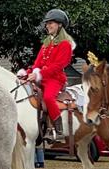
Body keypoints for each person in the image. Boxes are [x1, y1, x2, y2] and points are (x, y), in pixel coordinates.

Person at [21, 9, 74, 143]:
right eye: (47, 23)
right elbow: (37, 63)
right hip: (42, 78)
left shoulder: (65, 44)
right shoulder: (46, 43)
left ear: (59, 25)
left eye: (51, 23)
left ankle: (58, 129)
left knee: (48, 97)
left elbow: (58, 66)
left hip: (55, 79)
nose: (47, 26)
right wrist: (27, 73)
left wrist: (39, 73)